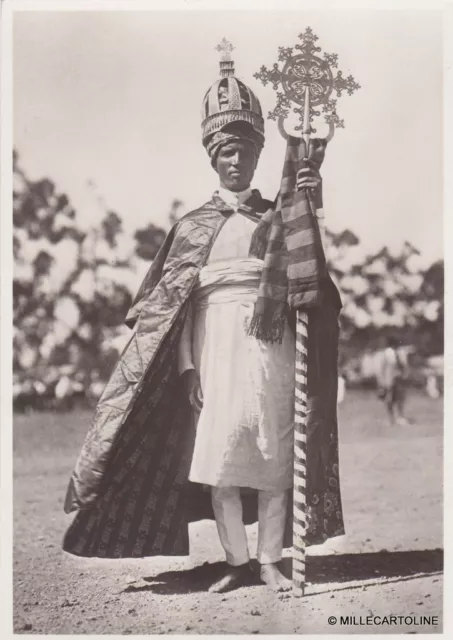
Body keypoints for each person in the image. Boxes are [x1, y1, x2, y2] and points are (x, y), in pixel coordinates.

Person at [62, 44, 344, 594]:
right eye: (225, 153)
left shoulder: (281, 217)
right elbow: (175, 306)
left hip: (275, 347)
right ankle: (235, 560)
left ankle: (269, 559)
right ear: (211, 158)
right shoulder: (192, 226)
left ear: (259, 153)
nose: (234, 161)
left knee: (273, 451)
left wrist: (310, 201)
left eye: (243, 150)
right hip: (213, 350)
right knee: (219, 455)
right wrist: (188, 367)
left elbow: (310, 279)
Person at [377, 336, 410, 426]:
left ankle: (400, 417)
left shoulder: (401, 353)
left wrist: (405, 375)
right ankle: (390, 418)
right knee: (389, 400)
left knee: (400, 399)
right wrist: (381, 382)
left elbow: (404, 366)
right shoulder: (386, 353)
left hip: (399, 379)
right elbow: (382, 368)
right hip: (389, 380)